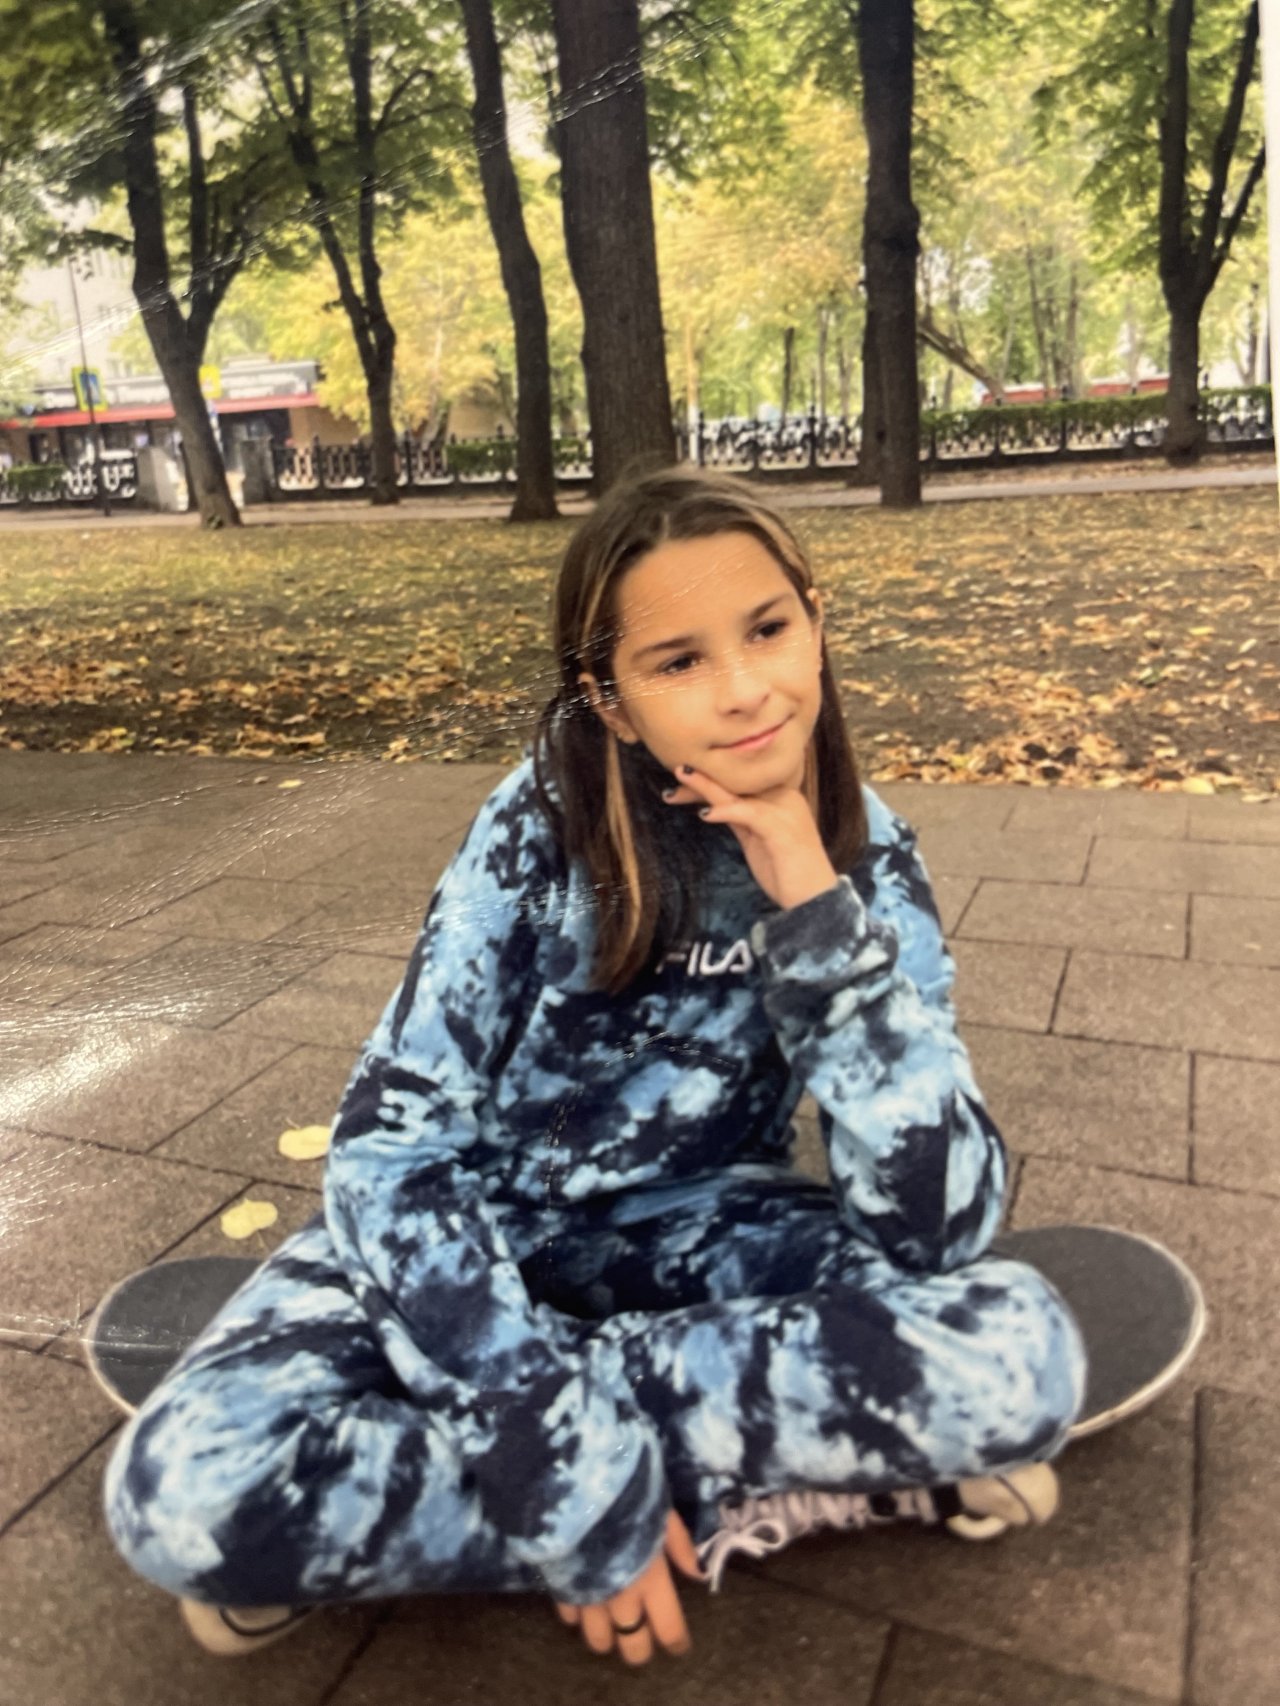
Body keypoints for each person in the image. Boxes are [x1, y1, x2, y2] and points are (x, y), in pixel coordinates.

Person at [101, 464, 1086, 1666]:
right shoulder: (536, 832)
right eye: (677, 661)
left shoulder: (865, 856)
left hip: (702, 1225)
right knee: (185, 1490)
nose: (745, 690)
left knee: (1017, 1355)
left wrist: (813, 906)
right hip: (481, 1228)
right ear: (610, 701)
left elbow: (940, 1225)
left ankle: (427, 1483)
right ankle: (767, 1473)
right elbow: (388, 1153)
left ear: (814, 622)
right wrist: (555, 1450)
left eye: (767, 629)